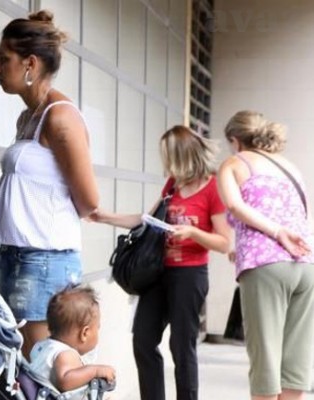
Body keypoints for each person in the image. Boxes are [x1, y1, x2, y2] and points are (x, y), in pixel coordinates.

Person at [0, 9, 100, 359]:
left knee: (40, 369)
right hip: (15, 255)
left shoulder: (60, 117)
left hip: (43, 260)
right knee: (19, 368)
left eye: (3, 59)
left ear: (30, 64)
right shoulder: (29, 117)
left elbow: (89, 201)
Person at [90, 125, 231, 400]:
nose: (166, 163)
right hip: (158, 273)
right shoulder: (173, 185)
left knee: (181, 347)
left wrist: (192, 233)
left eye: (170, 156)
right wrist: (105, 217)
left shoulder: (213, 189)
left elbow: (224, 242)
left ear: (184, 155)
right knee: (143, 340)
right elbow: (147, 220)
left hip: (189, 275)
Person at [216, 110, 314, 400]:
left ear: (235, 140)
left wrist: (275, 233)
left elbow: (234, 206)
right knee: (296, 359)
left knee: (265, 359)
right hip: (306, 264)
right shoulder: (290, 167)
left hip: (265, 265)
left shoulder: (235, 163)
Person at [30, 285, 116, 393]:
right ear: (85, 333)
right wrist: (95, 371)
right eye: (97, 328)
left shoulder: (41, 346)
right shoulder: (65, 353)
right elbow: (65, 382)